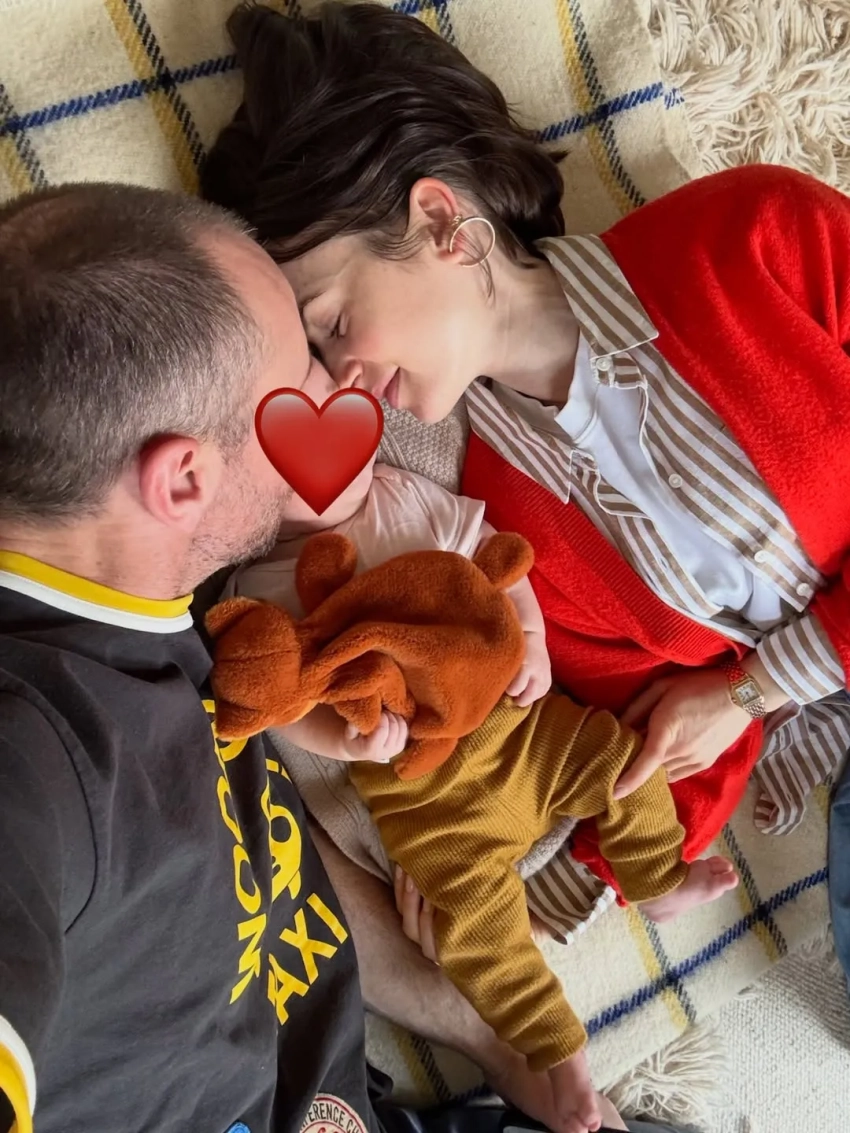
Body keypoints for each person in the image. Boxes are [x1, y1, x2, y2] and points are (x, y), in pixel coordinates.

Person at [0, 182, 657, 1133]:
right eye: (300, 374)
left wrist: (483, 1032)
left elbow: (265, 858)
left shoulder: (160, 617)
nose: (339, 391)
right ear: (184, 478)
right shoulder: (30, 750)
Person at [201, 0, 850, 929]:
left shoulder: (754, 233)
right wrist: (532, 900)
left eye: (335, 321)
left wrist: (758, 686)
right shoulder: (500, 528)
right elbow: (653, 735)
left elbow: (731, 693)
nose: (338, 376)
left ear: (443, 222)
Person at [212, 441, 738, 1133]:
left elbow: (498, 560)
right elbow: (285, 709)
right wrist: (346, 742)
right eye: (287, 453)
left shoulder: (402, 495)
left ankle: (656, 877)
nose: (331, 453)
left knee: (623, 762)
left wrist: (532, 638)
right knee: (479, 936)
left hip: (520, 733)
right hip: (428, 806)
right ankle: (559, 1050)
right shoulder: (255, 590)